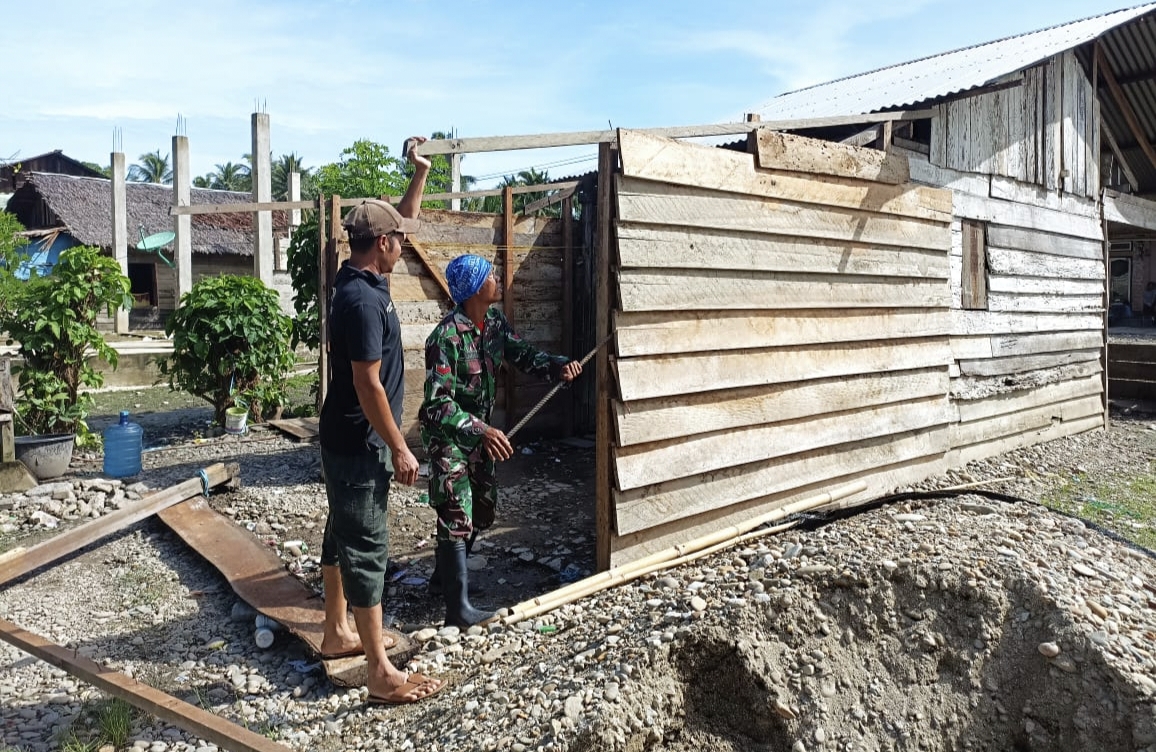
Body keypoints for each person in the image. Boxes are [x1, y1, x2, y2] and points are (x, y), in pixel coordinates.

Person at [316, 137, 445, 705]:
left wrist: (419, 173)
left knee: (340, 531)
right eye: (398, 241)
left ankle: (336, 631)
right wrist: (399, 446)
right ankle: (380, 672)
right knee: (367, 545)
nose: (403, 245)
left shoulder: (362, 277)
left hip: (345, 438)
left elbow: (405, 218)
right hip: (360, 441)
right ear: (383, 245)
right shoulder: (365, 302)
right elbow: (368, 384)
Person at [420, 254, 582, 628]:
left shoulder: (494, 324)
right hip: (449, 438)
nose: (497, 278)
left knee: (483, 509)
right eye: (490, 275)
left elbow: (522, 354)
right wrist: (481, 430)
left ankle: (443, 578)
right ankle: (457, 610)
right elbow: (437, 404)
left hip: (481, 438)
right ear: (476, 288)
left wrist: (558, 366)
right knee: (456, 510)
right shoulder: (444, 338)